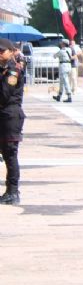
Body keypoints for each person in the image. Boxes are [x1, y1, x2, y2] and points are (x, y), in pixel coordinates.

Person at [0, 39, 25, 205]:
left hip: (10, 117)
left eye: (2, 51)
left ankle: (12, 191)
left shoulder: (12, 72)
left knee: (10, 154)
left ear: (11, 51)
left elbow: (4, 94)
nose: (0, 54)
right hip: (3, 116)